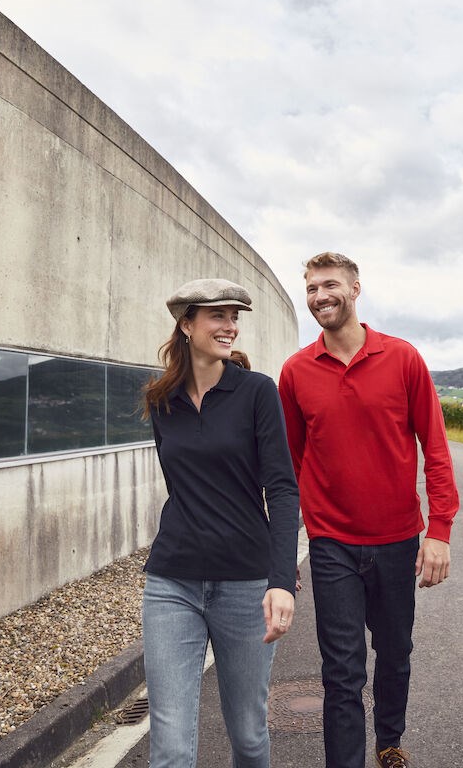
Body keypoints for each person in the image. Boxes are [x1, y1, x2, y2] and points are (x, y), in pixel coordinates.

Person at [278, 253, 459, 768]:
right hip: (331, 542)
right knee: (341, 669)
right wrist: (286, 546)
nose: (319, 296)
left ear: (355, 289)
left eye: (329, 285)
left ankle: (389, 739)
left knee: (395, 652)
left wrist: (439, 530)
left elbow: (435, 447)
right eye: (311, 289)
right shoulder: (296, 372)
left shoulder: (402, 358)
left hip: (398, 538)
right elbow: (290, 463)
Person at [142, 278, 299, 768]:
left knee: (249, 735)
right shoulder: (161, 399)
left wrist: (281, 579)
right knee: (169, 743)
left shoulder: (257, 392)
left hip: (245, 584)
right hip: (172, 582)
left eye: (234, 317)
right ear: (187, 325)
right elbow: (179, 485)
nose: (230, 326)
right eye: (218, 316)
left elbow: (282, 488)